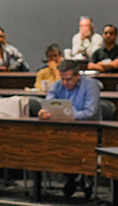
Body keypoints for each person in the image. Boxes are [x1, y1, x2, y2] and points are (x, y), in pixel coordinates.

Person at [37, 59, 101, 197]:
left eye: (69, 79)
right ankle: (75, 177)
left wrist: (68, 115)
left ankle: (76, 177)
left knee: (69, 146)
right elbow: (48, 104)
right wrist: (45, 113)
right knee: (49, 145)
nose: (65, 83)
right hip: (64, 131)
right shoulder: (58, 84)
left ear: (78, 76)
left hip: (87, 132)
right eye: (63, 78)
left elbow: (90, 113)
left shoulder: (91, 85)